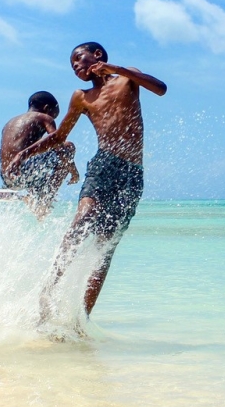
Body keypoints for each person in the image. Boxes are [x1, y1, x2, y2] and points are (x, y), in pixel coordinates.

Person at [10, 42, 166, 324]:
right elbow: (59, 137)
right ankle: (49, 289)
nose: (76, 67)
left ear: (97, 55)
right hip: (104, 163)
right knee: (82, 219)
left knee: (105, 247)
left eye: (78, 60)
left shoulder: (127, 77)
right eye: (72, 66)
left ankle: (82, 320)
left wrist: (116, 69)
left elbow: (160, 88)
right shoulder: (81, 97)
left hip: (132, 173)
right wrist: (24, 154)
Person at [1, 91, 81, 219]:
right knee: (68, 146)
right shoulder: (44, 117)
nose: (53, 119)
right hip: (24, 169)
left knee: (39, 163)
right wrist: (73, 170)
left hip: (6, 175)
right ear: (47, 108)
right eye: (54, 115)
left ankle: (34, 197)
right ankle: (45, 200)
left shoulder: (10, 123)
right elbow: (58, 143)